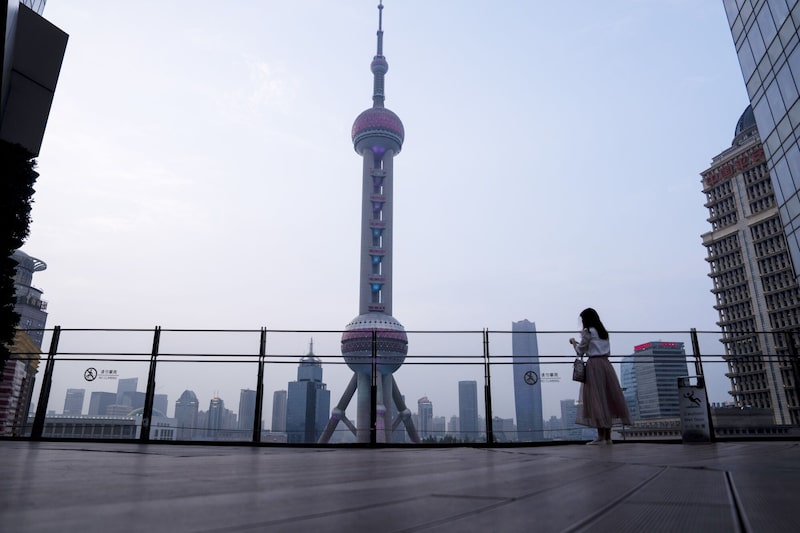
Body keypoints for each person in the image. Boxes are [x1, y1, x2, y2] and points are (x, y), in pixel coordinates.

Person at [569, 307, 631, 445]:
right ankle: (608, 438)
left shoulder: (587, 332)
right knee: (607, 399)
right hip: (606, 364)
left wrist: (573, 342)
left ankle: (601, 437)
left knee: (596, 399)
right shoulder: (603, 332)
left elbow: (580, 351)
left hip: (594, 365)